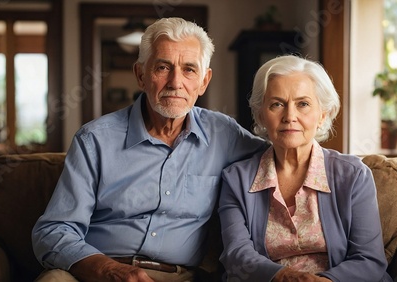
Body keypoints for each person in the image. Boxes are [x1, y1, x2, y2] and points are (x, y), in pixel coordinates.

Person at [32, 17, 266, 282]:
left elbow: (281, 159)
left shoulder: (224, 134)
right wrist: (108, 270)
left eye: (189, 69)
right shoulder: (94, 140)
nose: (175, 82)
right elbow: (53, 230)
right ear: (141, 75)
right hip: (97, 271)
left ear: (204, 81)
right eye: (163, 67)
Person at [218, 55, 393, 282]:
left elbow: (370, 260)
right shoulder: (236, 179)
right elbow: (236, 256)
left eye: (303, 104)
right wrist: (287, 278)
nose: (290, 116)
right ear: (261, 115)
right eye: (277, 104)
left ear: (322, 115)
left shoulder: (354, 176)